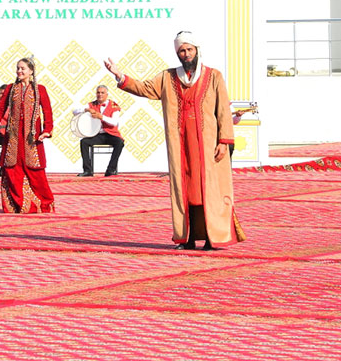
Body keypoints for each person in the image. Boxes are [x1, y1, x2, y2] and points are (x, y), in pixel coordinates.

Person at [105, 31, 245, 250]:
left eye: (189, 49)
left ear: (197, 50)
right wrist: (120, 76)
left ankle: (212, 236)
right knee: (184, 190)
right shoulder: (168, 77)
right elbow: (145, 88)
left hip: (208, 145)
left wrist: (224, 141)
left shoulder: (213, 76)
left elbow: (223, 112)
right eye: (182, 51)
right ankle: (187, 238)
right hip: (180, 144)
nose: (186, 54)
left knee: (208, 190)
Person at [0, 57, 55, 213]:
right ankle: (17, 205)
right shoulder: (10, 88)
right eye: (18, 68)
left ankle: (42, 204)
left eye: (23, 68)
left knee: (35, 171)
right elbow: (0, 109)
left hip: (31, 138)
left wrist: (47, 130)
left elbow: (47, 111)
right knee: (12, 170)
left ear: (31, 71)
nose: (19, 71)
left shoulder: (39, 89)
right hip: (13, 137)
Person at [72, 85, 124, 177]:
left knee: (119, 143)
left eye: (102, 93)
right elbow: (74, 111)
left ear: (107, 94)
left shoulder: (114, 106)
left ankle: (111, 169)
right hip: (97, 134)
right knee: (84, 142)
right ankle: (88, 170)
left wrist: (101, 117)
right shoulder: (92, 104)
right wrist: (86, 109)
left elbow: (114, 122)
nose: (100, 94)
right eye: (98, 92)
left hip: (111, 134)